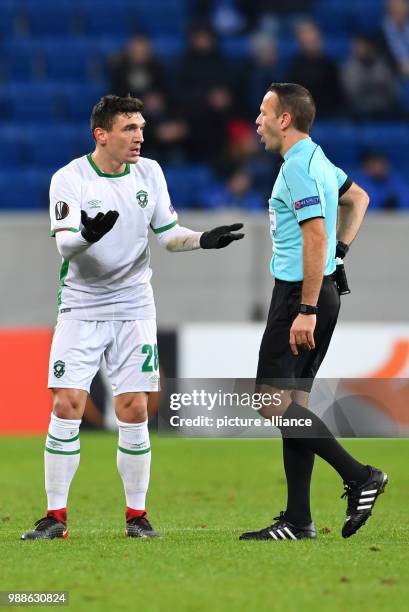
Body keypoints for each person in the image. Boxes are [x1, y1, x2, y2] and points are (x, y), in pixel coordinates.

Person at [21, 95, 244, 541]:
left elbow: (167, 235)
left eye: (141, 127)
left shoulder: (150, 173)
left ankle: (137, 517)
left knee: (135, 408)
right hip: (82, 304)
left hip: (134, 305)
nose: (140, 136)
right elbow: (65, 244)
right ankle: (55, 518)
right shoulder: (69, 178)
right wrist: (86, 234)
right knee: (67, 404)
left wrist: (204, 239)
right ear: (101, 134)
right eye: (129, 128)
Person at [240, 83, 388, 542]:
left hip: (299, 298)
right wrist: (340, 256)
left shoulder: (298, 169)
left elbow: (314, 237)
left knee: (270, 401)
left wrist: (304, 306)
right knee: (294, 406)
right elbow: (358, 198)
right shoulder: (319, 160)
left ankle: (359, 475)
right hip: (321, 291)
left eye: (264, 112)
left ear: (285, 119)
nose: (258, 121)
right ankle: (299, 520)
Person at [286, 20, 344, 116]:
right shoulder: (294, 66)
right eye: (305, 36)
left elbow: (337, 96)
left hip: (328, 114)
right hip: (302, 116)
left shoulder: (329, 65)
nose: (309, 39)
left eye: (312, 35)